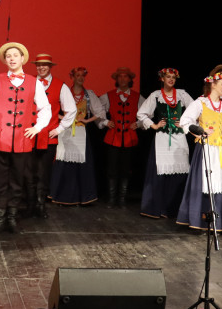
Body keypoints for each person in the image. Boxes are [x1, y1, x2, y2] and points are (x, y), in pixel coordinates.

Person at [0, 41, 53, 234]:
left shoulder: (34, 82)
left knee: (17, 181)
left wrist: (37, 128)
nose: (12, 58)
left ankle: (12, 218)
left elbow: (45, 108)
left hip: (22, 140)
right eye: (8, 56)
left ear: (22, 58)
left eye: (15, 55)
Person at [176, 71, 222, 232]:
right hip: (206, 148)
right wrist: (199, 131)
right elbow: (186, 121)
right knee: (206, 181)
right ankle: (201, 221)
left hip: (221, 149)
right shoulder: (201, 103)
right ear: (213, 84)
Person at [138, 68, 191, 219]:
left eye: (173, 77)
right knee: (161, 173)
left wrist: (185, 123)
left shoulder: (182, 94)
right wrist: (153, 125)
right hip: (162, 139)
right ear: (162, 78)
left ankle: (174, 209)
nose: (171, 79)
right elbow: (141, 113)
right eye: (168, 77)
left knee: (179, 172)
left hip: (179, 138)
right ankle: (158, 208)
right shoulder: (156, 95)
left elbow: (196, 110)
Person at [49, 67, 99, 206]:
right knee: (63, 163)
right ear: (72, 77)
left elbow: (99, 111)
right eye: (78, 75)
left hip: (81, 132)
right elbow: (52, 109)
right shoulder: (65, 92)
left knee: (81, 165)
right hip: (65, 131)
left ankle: (83, 196)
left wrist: (87, 120)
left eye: (83, 75)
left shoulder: (89, 95)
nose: (80, 78)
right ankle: (60, 195)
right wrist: (61, 117)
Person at [97, 67, 141, 208]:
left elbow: (148, 113)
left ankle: (122, 199)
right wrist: (105, 122)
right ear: (116, 80)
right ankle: (111, 198)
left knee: (125, 170)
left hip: (129, 137)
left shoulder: (137, 97)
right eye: (120, 77)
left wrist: (139, 123)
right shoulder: (108, 96)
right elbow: (97, 111)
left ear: (130, 79)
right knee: (112, 169)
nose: (122, 79)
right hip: (113, 137)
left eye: (125, 76)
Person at [29, 53, 64, 218]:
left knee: (43, 173)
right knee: (28, 172)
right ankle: (28, 205)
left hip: (48, 137)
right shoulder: (29, 82)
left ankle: (40, 206)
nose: (41, 67)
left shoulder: (60, 86)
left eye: (45, 65)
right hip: (29, 136)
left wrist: (59, 128)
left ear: (50, 67)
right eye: (38, 65)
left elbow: (71, 110)